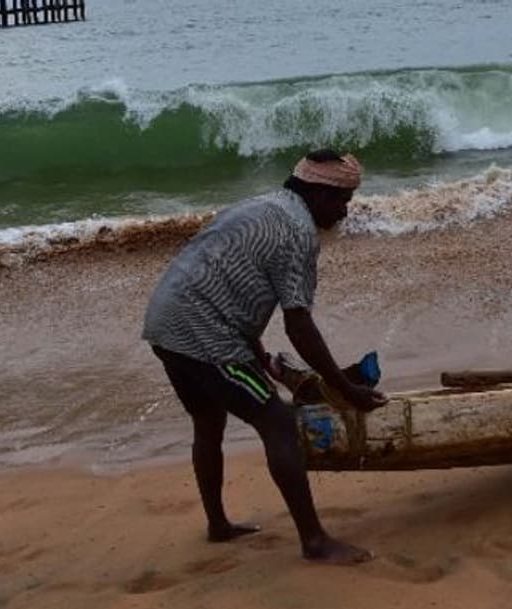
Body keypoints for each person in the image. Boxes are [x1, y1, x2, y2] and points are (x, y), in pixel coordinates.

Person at [142, 149, 387, 563]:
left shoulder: (261, 206)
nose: (345, 211)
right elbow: (299, 324)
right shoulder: (298, 233)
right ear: (317, 193)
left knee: (208, 420)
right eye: (342, 200)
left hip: (166, 324)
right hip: (207, 337)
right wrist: (343, 388)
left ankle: (218, 525)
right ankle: (314, 542)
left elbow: (229, 278)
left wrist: (255, 351)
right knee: (280, 423)